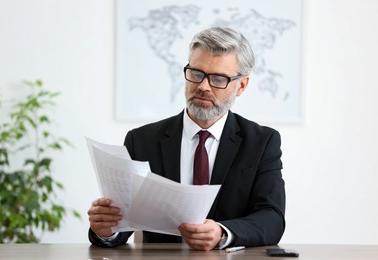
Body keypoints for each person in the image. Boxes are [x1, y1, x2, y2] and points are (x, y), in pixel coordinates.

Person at [88, 26, 285, 251]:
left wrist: (222, 233)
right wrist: (106, 230)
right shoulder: (142, 141)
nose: (202, 86)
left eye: (218, 79)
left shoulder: (262, 142)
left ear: (241, 85)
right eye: (196, 73)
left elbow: (272, 218)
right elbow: (122, 225)